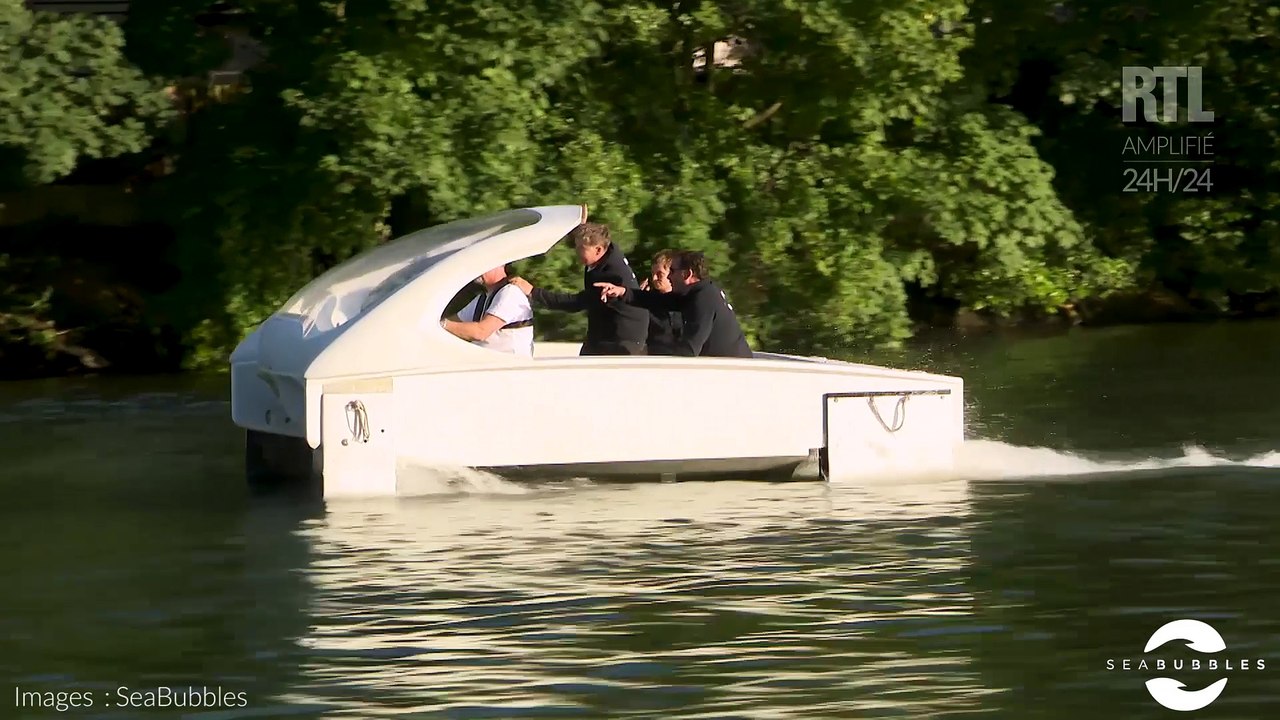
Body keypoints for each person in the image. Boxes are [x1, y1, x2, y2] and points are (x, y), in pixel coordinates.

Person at [507, 222, 650, 355]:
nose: (577, 252)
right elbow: (597, 237)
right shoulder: (606, 252)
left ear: (598, 250)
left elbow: (576, 303)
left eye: (581, 248)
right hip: (605, 331)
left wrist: (533, 292)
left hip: (622, 341)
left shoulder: (610, 275)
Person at [595, 250, 753, 358]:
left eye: (672, 271)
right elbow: (659, 301)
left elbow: (689, 349)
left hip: (734, 373)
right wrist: (622, 291)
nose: (669, 277)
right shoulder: (697, 292)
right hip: (725, 369)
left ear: (687, 274)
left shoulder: (703, 299)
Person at [441, 265, 534, 356]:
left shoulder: (510, 293)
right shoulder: (484, 297)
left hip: (508, 367)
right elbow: (456, 321)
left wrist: (443, 325)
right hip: (488, 366)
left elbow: (481, 332)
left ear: (498, 265)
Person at [640, 249, 683, 356]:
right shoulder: (650, 302)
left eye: (660, 274)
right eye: (653, 274)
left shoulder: (689, 300)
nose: (654, 278)